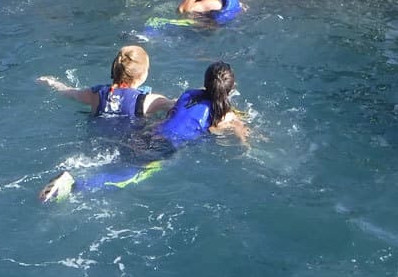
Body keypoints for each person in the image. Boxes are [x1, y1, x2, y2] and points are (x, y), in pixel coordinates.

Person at [40, 61, 248, 201]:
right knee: (127, 177)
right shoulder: (224, 116)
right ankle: (75, 186)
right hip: (165, 148)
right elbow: (232, 132)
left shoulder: (188, 94)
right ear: (230, 88)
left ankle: (74, 173)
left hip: (147, 133)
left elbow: (177, 108)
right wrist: (247, 145)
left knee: (115, 159)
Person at [38, 44, 174, 121]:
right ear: (143, 74)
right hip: (132, 145)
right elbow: (176, 105)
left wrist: (52, 82)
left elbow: (70, 93)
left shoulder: (97, 94)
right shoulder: (148, 100)